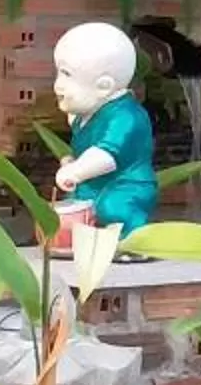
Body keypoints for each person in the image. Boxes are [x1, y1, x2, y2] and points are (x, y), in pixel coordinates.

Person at [49, 20, 157, 234]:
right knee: (75, 208)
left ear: (104, 86)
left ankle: (130, 239)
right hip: (93, 185)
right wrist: (73, 162)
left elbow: (106, 156)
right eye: (58, 73)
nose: (58, 84)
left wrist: (76, 171)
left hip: (126, 184)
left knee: (113, 207)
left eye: (67, 75)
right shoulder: (88, 112)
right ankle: (88, 241)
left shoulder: (126, 117)